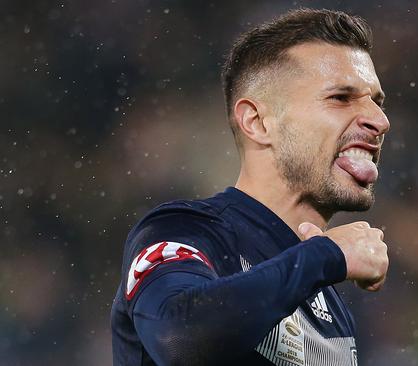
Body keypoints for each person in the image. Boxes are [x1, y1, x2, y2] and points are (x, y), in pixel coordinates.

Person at [111, 8, 390, 365]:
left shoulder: (328, 301)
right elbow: (178, 336)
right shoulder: (187, 231)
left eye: (377, 102)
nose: (380, 121)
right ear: (257, 122)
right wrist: (327, 257)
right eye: (340, 97)